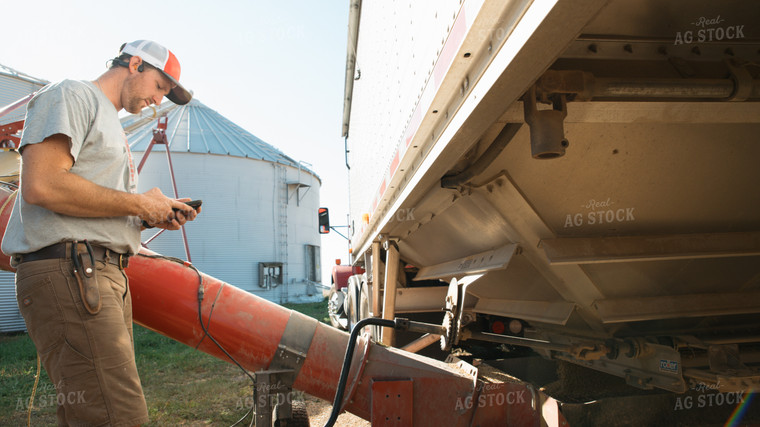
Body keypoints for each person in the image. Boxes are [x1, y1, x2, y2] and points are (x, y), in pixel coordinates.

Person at [1, 39, 199, 426]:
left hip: (95, 273)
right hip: (72, 272)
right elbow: (41, 185)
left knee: (90, 412)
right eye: (159, 87)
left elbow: (87, 206)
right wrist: (140, 204)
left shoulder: (110, 123)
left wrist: (148, 216)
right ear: (136, 64)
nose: (158, 100)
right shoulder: (72, 95)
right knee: (118, 415)